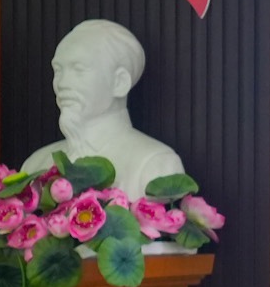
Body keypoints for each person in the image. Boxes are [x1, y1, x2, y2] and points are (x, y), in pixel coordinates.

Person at [21, 20, 186, 199]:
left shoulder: (156, 165)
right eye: (58, 70)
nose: (62, 83)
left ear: (120, 82)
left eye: (78, 69)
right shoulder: (36, 164)